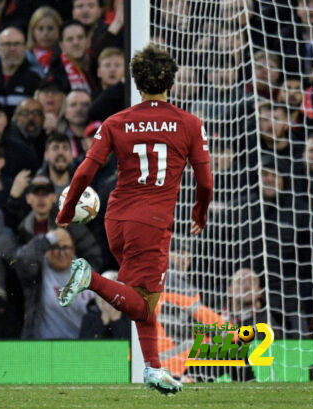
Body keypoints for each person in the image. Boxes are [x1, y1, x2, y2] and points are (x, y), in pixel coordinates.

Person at [56, 45, 213, 394]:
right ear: (170, 81)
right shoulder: (189, 123)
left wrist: (67, 211)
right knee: (143, 303)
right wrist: (199, 212)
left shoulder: (115, 122)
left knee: (143, 299)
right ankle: (91, 279)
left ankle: (154, 369)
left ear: (137, 83)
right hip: (152, 222)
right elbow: (205, 181)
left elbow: (85, 171)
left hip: (116, 217)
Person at [13, 227, 95, 339]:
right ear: (46, 249)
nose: (60, 253)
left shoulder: (86, 271)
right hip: (47, 347)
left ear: (73, 250)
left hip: (81, 347)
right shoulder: (38, 273)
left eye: (65, 248)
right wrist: (48, 239)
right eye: (55, 247)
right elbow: (23, 259)